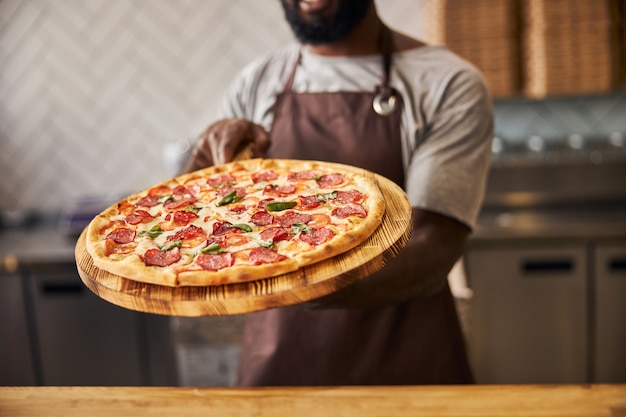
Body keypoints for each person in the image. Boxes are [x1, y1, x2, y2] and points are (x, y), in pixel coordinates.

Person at [183, 0, 493, 386]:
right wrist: (202, 163)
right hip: (280, 365)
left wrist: (295, 281)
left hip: (404, 362)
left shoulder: (446, 82)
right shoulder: (258, 81)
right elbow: (212, 227)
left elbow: (431, 248)